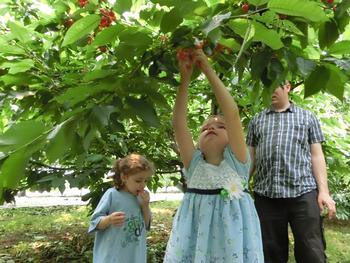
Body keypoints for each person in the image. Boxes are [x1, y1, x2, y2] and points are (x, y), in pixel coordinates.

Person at [164, 48, 264, 262]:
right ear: (198, 142)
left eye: (220, 126)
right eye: (204, 128)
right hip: (194, 241)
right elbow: (179, 124)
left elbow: (232, 114)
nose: (210, 127)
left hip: (232, 245)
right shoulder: (194, 164)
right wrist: (185, 79)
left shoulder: (238, 162)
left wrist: (207, 69)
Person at [246, 81, 336, 263]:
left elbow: (316, 156)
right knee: (269, 252)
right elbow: (251, 158)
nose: (271, 91)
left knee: (311, 251)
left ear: (287, 86)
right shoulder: (257, 120)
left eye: (275, 86)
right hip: (266, 196)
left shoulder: (307, 117)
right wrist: (240, 186)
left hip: (302, 193)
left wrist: (324, 192)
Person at [88, 153, 154, 263]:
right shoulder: (112, 195)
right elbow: (95, 222)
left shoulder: (140, 198)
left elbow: (146, 224)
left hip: (135, 256)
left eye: (146, 180)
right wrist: (108, 220)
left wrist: (145, 206)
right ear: (124, 177)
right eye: (138, 180)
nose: (143, 185)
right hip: (112, 256)